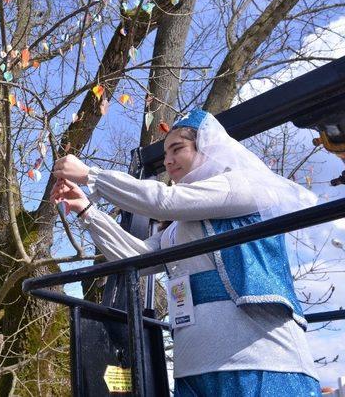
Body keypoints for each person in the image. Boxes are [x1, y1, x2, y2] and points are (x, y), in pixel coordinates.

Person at [51, 108, 321, 396]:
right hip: (193, 366)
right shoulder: (178, 227)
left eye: (177, 148)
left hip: (260, 360)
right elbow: (137, 259)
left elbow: (164, 201)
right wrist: (86, 210)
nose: (167, 161)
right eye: (165, 153)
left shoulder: (245, 183)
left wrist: (91, 176)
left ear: (207, 146)